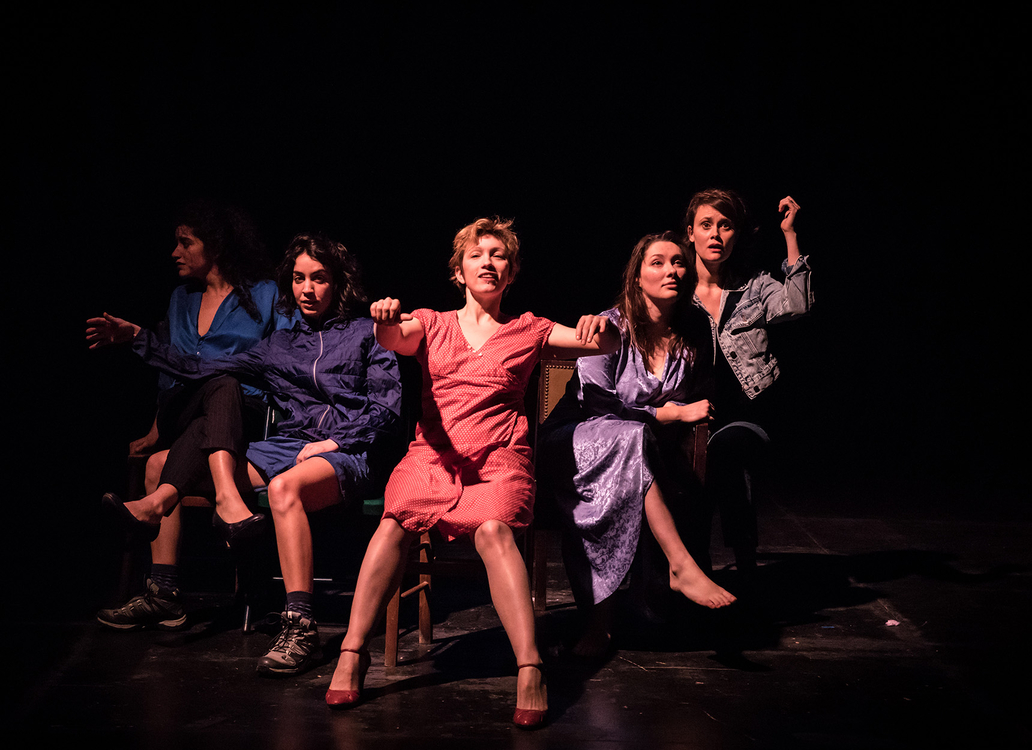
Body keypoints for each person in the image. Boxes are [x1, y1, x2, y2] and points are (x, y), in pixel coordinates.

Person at [323, 217, 620, 729]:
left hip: (501, 458)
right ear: (458, 270)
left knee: (493, 530)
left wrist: (603, 326)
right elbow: (394, 337)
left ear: (512, 271)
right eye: (477, 254)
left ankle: (530, 666)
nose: (488, 262)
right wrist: (384, 318)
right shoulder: (431, 323)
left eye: (498, 255)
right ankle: (353, 652)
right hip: (433, 456)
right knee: (393, 523)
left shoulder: (531, 329)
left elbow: (604, 346)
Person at [93, 233, 402, 676]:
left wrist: (334, 441)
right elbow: (198, 368)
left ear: (338, 284)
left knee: (283, 488)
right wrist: (139, 338)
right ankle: (163, 590)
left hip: (350, 452)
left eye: (318, 278)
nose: (307, 290)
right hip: (287, 447)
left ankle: (300, 626)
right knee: (163, 465)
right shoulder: (279, 346)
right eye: (298, 279)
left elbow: (386, 409)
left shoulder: (365, 334)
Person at [538, 232, 736, 658]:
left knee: (634, 445)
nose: (672, 271)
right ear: (636, 276)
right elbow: (597, 404)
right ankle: (679, 566)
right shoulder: (608, 327)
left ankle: (602, 626)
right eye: (659, 263)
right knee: (628, 437)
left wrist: (673, 418)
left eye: (680, 263)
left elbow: (704, 396)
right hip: (574, 442)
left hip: (641, 452)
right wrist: (671, 413)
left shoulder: (695, 330)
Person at [88, 199, 281, 632]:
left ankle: (163, 591)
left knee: (206, 407)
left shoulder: (266, 295)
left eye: (184, 242)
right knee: (215, 388)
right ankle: (228, 504)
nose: (175, 252)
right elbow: (170, 373)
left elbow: (279, 358)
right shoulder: (181, 299)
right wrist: (156, 427)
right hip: (186, 410)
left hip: (243, 415)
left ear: (214, 244)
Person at [685, 189, 811, 574]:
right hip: (689, 414)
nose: (716, 235)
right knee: (692, 460)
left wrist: (789, 234)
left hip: (747, 412)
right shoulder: (675, 288)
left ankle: (741, 559)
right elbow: (632, 312)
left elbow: (797, 303)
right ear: (690, 233)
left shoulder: (753, 286)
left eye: (725, 226)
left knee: (727, 448)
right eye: (706, 225)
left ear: (736, 235)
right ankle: (695, 559)